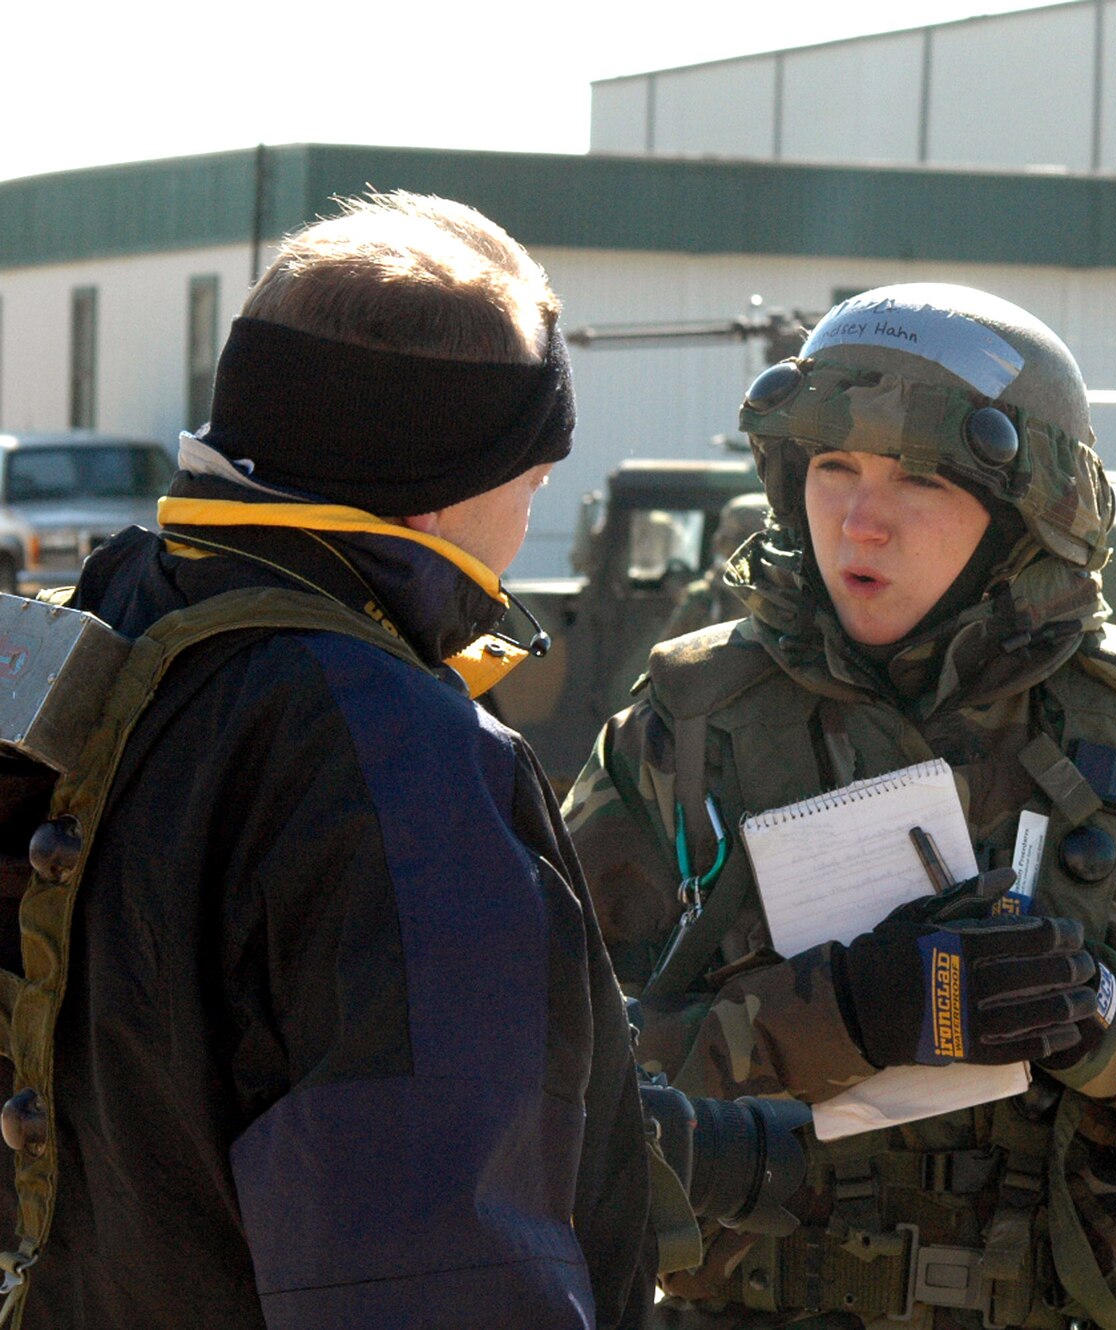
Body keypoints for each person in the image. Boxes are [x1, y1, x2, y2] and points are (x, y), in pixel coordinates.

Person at [564, 283, 1116, 1330]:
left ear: (1023, 518)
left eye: (918, 480)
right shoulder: (684, 728)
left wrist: (1108, 1026)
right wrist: (847, 1010)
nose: (860, 518)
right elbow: (553, 1093)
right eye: (833, 468)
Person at [0, 193, 652, 1328]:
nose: (524, 518)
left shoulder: (94, 623)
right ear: (446, 482)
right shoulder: (388, 747)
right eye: (532, 479)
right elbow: (435, 1270)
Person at [661, 491, 767, 640]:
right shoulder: (705, 599)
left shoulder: (782, 600)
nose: (718, 543)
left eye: (728, 537)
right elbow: (664, 658)